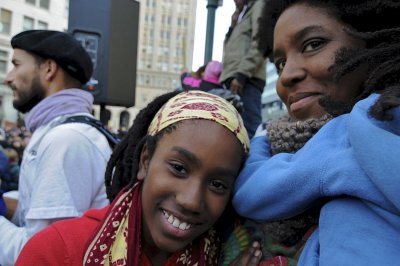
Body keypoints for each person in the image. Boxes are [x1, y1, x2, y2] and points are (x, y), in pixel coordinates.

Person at [232, 0, 400, 265]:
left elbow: (252, 192)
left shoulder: (357, 127)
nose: (286, 75)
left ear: (374, 39)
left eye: (313, 44)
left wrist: (261, 140)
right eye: (280, 63)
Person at [16, 90, 263, 266]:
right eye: (179, 168)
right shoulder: (55, 251)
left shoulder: (227, 254)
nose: (191, 201)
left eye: (218, 185)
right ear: (145, 160)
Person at [0, 30, 112, 265]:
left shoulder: (67, 139)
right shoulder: (58, 130)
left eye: (16, 65)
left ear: (49, 69)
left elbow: (43, 255)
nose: (8, 77)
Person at [220, 0, 267, 138]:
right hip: (235, 78)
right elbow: (227, 49)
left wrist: (242, 75)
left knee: (250, 130)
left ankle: (256, 160)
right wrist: (232, 26)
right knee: (234, 131)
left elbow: (260, 41)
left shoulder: (258, 5)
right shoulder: (243, 14)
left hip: (245, 80)